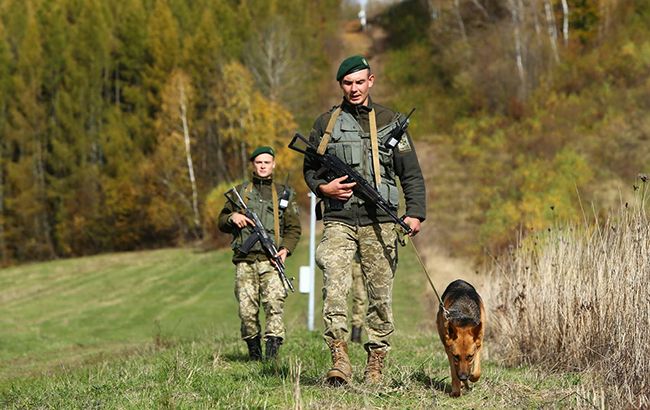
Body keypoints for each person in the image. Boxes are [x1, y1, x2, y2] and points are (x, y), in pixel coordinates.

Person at [303, 55, 426, 385]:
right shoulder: (325, 123)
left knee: (380, 294)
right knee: (335, 285)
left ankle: (376, 361)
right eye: (348, 83)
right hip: (340, 219)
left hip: (380, 221)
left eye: (360, 82)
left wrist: (414, 213)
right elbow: (310, 170)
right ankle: (339, 358)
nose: (354, 88)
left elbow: (411, 174)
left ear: (370, 81)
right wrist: (323, 187)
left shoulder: (391, 122)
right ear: (340, 85)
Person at [218, 146, 301, 361]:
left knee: (274, 305)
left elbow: (294, 229)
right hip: (245, 262)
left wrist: (285, 250)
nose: (263, 166)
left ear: (273, 164)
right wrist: (232, 217)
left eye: (267, 162)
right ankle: (254, 355)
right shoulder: (241, 192)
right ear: (253, 165)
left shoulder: (284, 193)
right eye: (258, 162)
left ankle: (271, 356)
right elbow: (221, 221)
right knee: (246, 311)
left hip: (271, 262)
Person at [350, 252, 367, 344]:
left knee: (360, 298)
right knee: (359, 297)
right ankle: (355, 336)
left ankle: (356, 335)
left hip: (364, 261)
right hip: (353, 259)